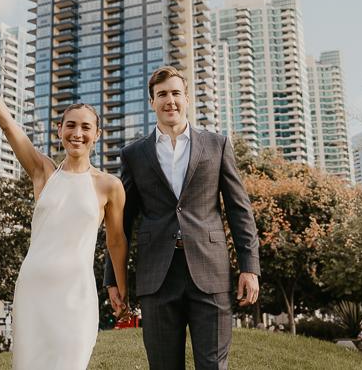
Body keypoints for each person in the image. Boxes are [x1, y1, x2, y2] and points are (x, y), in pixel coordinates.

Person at [0, 43, 128, 369]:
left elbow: (116, 241)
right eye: (70, 125)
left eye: (85, 127)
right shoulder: (43, 171)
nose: (77, 133)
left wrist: (120, 287)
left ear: (97, 134)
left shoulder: (109, 186)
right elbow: (7, 124)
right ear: (60, 130)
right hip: (34, 289)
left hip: (77, 294)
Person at [104, 65, 261, 370]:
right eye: (162, 94)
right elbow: (120, 223)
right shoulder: (133, 154)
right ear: (152, 102)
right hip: (156, 277)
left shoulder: (217, 145)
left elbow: (239, 210)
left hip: (211, 273)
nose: (170, 100)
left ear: (187, 98)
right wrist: (114, 280)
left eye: (176, 93)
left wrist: (249, 268)